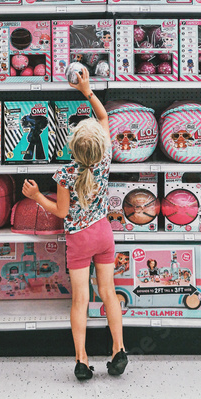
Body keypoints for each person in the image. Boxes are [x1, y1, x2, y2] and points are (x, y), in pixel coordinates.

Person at [22, 68, 126, 382]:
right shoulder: (105, 159)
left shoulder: (66, 174)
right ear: (99, 145)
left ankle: (81, 360)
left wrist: (37, 195)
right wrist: (87, 90)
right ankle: (118, 349)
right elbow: (105, 118)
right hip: (103, 233)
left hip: (79, 240)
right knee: (108, 292)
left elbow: (61, 211)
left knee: (80, 300)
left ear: (72, 146)